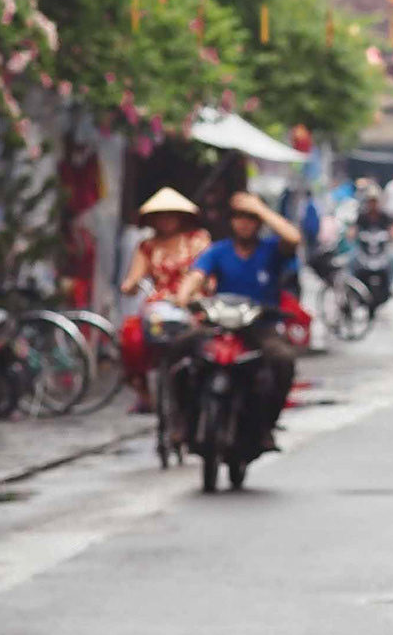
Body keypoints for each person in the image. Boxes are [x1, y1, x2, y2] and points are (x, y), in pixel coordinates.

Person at [183, 189, 303, 447]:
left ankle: (266, 426)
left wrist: (260, 207)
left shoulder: (271, 249)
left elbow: (293, 237)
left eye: (250, 217)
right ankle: (182, 422)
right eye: (239, 217)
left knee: (283, 359)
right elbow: (195, 277)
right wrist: (185, 298)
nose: (244, 223)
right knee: (182, 348)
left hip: (260, 327)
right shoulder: (219, 251)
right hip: (220, 325)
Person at [118, 188, 213, 409]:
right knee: (131, 337)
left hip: (195, 303)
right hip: (160, 306)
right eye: (161, 215)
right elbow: (133, 279)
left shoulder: (197, 240)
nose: (167, 220)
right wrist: (129, 285)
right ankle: (144, 393)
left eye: (171, 214)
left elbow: (207, 271)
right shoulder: (147, 246)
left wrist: (195, 289)